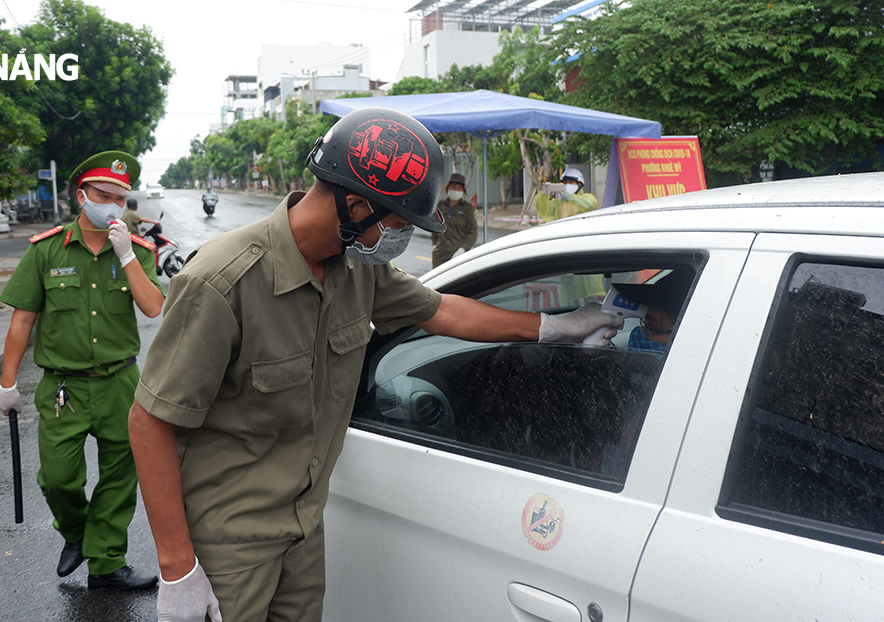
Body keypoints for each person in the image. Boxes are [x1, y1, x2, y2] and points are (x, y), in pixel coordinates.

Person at [127, 108, 623, 622]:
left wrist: (552, 327)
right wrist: (179, 570)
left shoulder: (358, 269)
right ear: (357, 205)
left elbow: (443, 309)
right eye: (399, 222)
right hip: (229, 545)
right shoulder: (223, 282)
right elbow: (150, 423)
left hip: (303, 531)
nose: (403, 236)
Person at [0, 151, 165, 591]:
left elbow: (153, 306)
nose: (111, 205)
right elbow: (23, 319)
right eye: (102, 195)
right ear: (81, 194)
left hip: (120, 382)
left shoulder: (136, 250)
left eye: (120, 199)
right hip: (62, 387)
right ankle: (77, 532)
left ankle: (107, 564)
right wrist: (7, 383)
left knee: (120, 476)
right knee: (57, 478)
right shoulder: (47, 249)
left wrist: (126, 255)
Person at [430, 172, 477, 268]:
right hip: (440, 253)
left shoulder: (468, 209)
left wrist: (463, 249)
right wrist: (434, 244)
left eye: (459, 187)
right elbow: (433, 226)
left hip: (458, 254)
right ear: (447, 188)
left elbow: (472, 232)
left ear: (463, 191)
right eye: (453, 186)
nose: (456, 189)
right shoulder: (440, 205)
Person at [535, 168, 599, 222]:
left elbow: (589, 205)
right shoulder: (557, 203)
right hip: (564, 234)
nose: (567, 185)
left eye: (571, 182)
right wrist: (543, 194)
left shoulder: (588, 197)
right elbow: (541, 208)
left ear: (579, 184)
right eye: (565, 183)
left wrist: (569, 198)